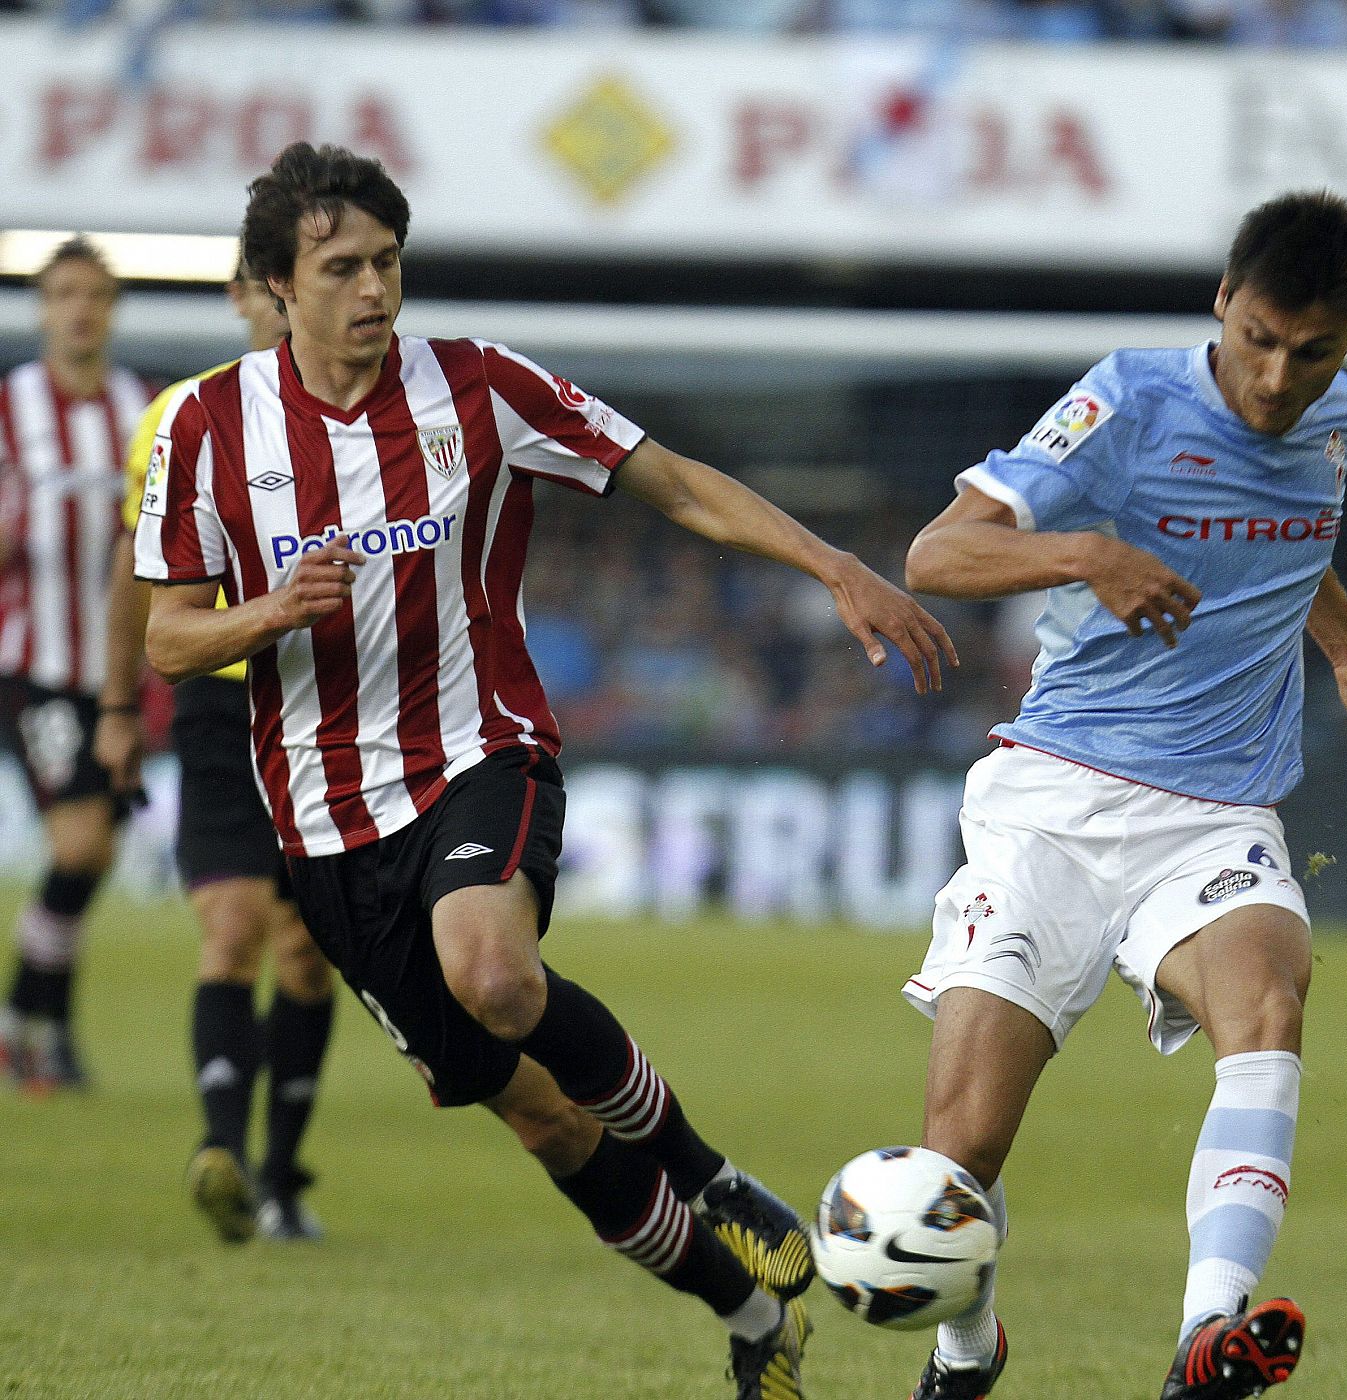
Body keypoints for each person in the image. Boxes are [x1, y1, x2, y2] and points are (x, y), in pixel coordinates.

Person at [134, 141, 956, 1398]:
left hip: (482, 749)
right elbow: (167, 634)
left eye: (388, 261)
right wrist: (264, 616)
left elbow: (671, 482)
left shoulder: (479, 387)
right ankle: (749, 1317)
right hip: (325, 825)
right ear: (273, 286)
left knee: (495, 970)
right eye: (341, 267)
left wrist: (836, 565)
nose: (373, 289)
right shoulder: (203, 424)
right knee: (541, 1116)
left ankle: (707, 1167)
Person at [899, 191, 1347, 1400]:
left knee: (1267, 1008)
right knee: (963, 1146)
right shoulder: (1127, 402)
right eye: (1257, 337)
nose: (1277, 376)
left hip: (1216, 816)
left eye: (1311, 351)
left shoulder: (1339, 419)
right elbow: (937, 553)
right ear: (1221, 305)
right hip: (1051, 806)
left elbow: (1296, 535)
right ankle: (964, 1349)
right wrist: (1087, 549)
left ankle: (1206, 1337)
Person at [94, 261, 338, 1243]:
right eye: (266, 283)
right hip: (220, 705)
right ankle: (225, 1151)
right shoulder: (174, 419)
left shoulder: (366, 418)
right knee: (232, 928)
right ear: (243, 293)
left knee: (309, 958)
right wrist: (118, 703)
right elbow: (137, 577)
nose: (279, 304)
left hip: (330, 708)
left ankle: (282, 1174)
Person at [0, 237, 153, 1092]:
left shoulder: (140, 408)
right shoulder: (9, 407)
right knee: (81, 841)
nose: (80, 308)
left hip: (122, 677)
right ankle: (35, 1025)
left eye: (94, 293)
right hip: (36, 665)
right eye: (63, 293)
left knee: (95, 856)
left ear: (112, 307)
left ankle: (33, 1023)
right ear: (43, 307)